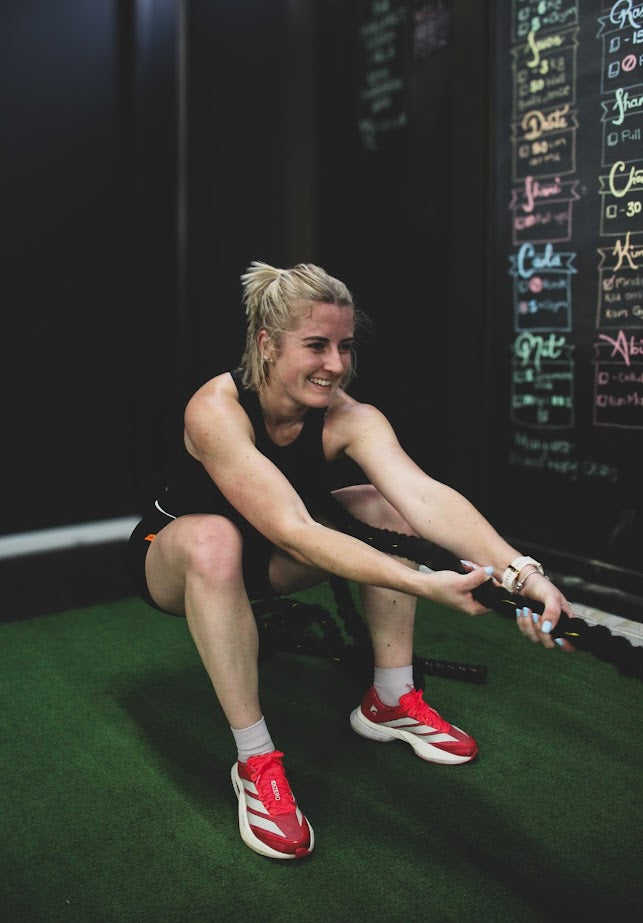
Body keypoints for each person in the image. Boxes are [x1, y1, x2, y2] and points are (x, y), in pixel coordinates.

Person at [127, 261, 574, 861]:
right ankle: (255, 760)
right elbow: (293, 529)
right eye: (316, 345)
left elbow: (422, 496)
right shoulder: (215, 408)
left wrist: (521, 572)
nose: (336, 364)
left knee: (383, 505)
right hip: (177, 559)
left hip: (273, 555)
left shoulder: (348, 417)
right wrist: (423, 584)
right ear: (267, 343)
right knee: (214, 540)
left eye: (345, 346)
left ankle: (390, 699)